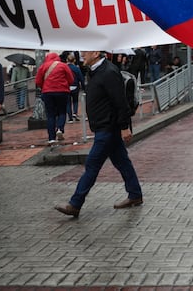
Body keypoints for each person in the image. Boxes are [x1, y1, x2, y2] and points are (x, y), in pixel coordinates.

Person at [55, 50, 143, 218]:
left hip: (108, 128)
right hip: (104, 127)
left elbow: (120, 101)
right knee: (122, 161)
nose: (82, 55)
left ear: (96, 53)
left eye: (85, 52)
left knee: (92, 165)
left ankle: (75, 204)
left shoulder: (109, 72)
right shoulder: (94, 71)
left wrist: (125, 126)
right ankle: (135, 194)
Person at [35, 52, 74, 144]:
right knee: (62, 112)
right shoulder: (63, 66)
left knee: (50, 115)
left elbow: (38, 81)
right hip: (62, 92)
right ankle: (60, 128)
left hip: (48, 93)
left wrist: (44, 87)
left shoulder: (43, 66)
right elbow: (71, 79)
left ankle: (51, 138)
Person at [66, 54, 85, 123]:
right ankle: (75, 113)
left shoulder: (65, 67)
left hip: (66, 87)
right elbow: (81, 78)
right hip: (75, 86)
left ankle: (70, 118)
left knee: (68, 103)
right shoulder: (76, 68)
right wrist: (84, 87)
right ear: (74, 60)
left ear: (67, 60)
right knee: (75, 101)